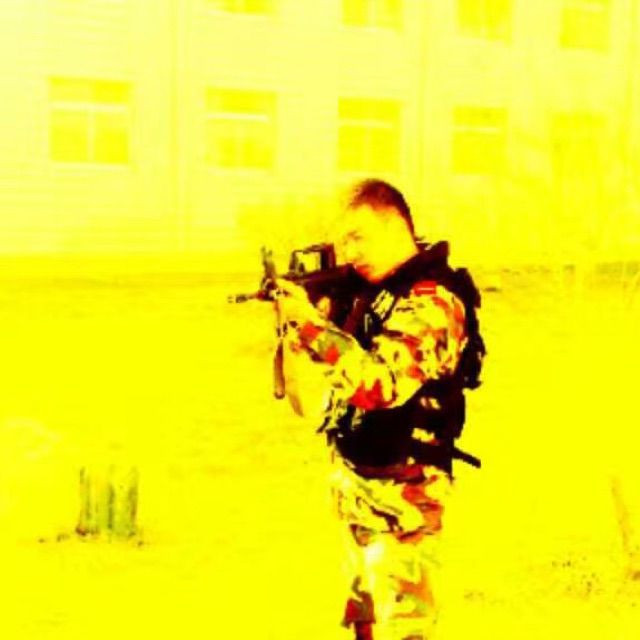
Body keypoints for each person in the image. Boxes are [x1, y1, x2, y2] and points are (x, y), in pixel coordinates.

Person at [274, 179, 485, 640]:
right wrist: (301, 333)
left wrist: (313, 330)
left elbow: (380, 385)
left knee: (403, 630)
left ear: (395, 225)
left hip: (405, 499)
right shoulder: (367, 292)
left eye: (358, 237)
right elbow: (316, 397)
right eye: (343, 240)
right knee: (364, 624)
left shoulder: (434, 302)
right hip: (357, 489)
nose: (349, 252)